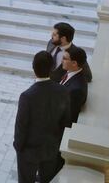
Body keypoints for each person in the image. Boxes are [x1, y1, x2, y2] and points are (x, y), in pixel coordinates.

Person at [14, 51, 71, 183]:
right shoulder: (63, 91)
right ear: (52, 68)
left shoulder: (27, 96)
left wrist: (18, 147)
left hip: (29, 151)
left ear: (33, 68)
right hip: (51, 147)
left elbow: (21, 126)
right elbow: (66, 122)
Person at [59, 45, 88, 124]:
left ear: (74, 63)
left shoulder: (76, 90)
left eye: (64, 59)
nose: (61, 61)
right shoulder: (70, 72)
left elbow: (68, 117)